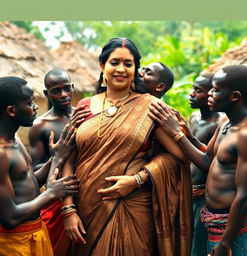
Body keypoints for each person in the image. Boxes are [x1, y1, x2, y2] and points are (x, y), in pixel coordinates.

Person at [61, 37, 192, 256]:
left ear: (135, 69)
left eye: (128, 64)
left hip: (130, 209)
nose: (121, 69)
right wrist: (68, 209)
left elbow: (180, 157)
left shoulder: (150, 107)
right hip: (84, 211)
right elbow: (68, 159)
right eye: (114, 63)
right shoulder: (84, 106)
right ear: (103, 66)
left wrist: (137, 179)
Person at [148, 65, 247, 256]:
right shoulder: (226, 123)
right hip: (214, 225)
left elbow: (244, 196)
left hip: (236, 233)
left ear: (235, 96)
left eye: (216, 89)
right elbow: (207, 161)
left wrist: (225, 244)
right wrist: (185, 135)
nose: (210, 94)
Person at [0, 76, 79, 256]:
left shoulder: (16, 139)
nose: (36, 107)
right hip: (14, 242)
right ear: (12, 110)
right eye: (30, 103)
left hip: (36, 232)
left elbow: (28, 182)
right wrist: (50, 193)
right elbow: (9, 217)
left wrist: (56, 158)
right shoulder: (2, 153)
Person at [28, 68, 89, 254]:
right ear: (47, 93)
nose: (63, 94)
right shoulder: (40, 125)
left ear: (72, 87)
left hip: (88, 190)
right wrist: (58, 157)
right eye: (56, 90)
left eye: (67, 88)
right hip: (59, 198)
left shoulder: (85, 116)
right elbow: (34, 168)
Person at [188, 73, 223, 256]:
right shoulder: (194, 117)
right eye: (193, 88)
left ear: (212, 93)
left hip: (203, 196)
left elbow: (212, 163)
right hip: (187, 193)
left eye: (198, 90)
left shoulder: (219, 123)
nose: (191, 94)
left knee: (199, 245)